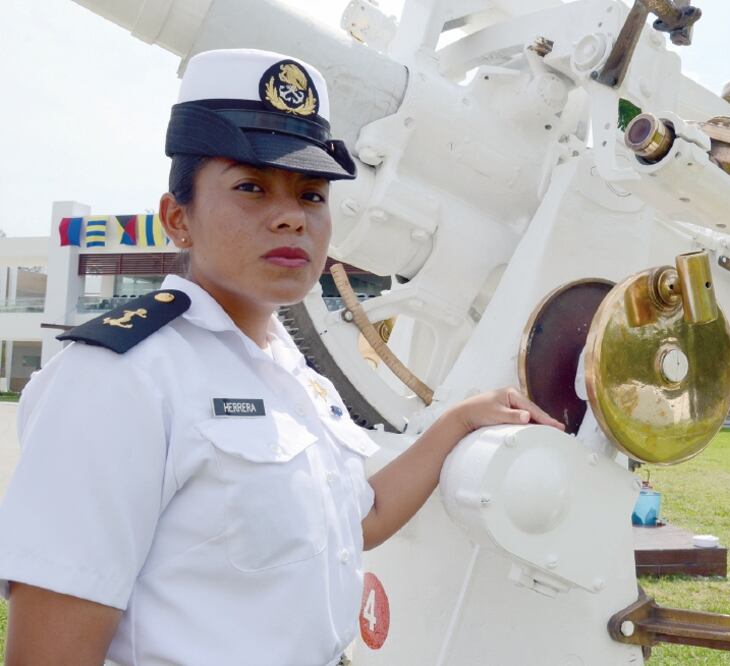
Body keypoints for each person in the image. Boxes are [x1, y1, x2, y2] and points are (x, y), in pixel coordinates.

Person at [0, 48, 563, 666]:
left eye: (312, 194)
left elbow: (358, 519)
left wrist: (459, 419)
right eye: (250, 187)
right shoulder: (120, 378)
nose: (292, 217)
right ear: (177, 220)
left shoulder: (291, 371)